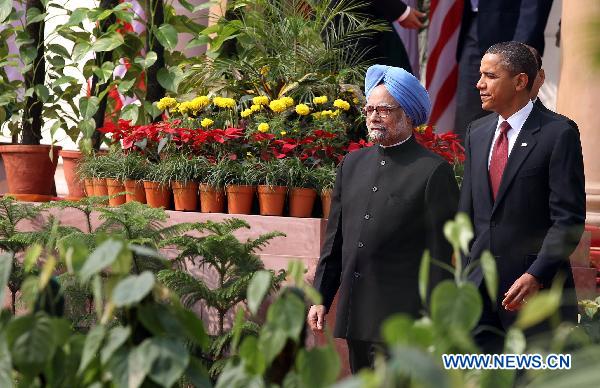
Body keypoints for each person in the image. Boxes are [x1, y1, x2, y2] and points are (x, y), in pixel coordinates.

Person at [308, 64, 459, 373]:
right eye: (369, 109)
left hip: (403, 318)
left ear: (408, 115)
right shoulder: (352, 163)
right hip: (356, 313)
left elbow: (440, 257)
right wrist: (321, 296)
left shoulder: (433, 171)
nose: (373, 116)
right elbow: (335, 240)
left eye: (384, 110)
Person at [459, 41, 585, 353]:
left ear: (520, 81)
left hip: (534, 299)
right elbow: (468, 214)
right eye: (480, 75)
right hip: (478, 300)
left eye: (490, 76)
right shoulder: (476, 131)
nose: (479, 84)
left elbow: (567, 220)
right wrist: (466, 277)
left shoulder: (559, 133)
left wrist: (535, 275)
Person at [455, 0, 554, 139]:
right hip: (473, 25)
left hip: (510, 30)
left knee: (515, 120)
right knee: (468, 121)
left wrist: (521, 48)